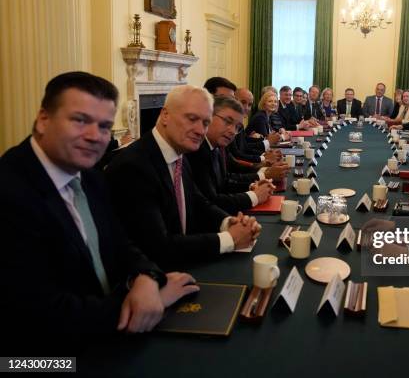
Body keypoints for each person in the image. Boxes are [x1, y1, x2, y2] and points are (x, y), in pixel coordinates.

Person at [0, 71, 198, 351]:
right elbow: (41, 315)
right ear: (44, 120)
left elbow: (121, 243)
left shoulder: (90, 176)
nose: (95, 136)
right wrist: (154, 300)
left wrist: (146, 278)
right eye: (80, 120)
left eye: (105, 126)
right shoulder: (9, 192)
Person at [105, 85, 260, 269]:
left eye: (205, 123)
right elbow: (158, 247)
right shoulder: (133, 166)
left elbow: (197, 201)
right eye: (192, 119)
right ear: (165, 115)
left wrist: (228, 222)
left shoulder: (179, 153)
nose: (200, 131)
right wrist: (229, 239)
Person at [187, 96, 275, 215]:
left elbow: (224, 181)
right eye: (228, 122)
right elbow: (211, 200)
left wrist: (252, 186)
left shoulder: (215, 147)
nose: (233, 131)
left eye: (237, 127)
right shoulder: (196, 151)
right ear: (208, 117)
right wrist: (255, 196)